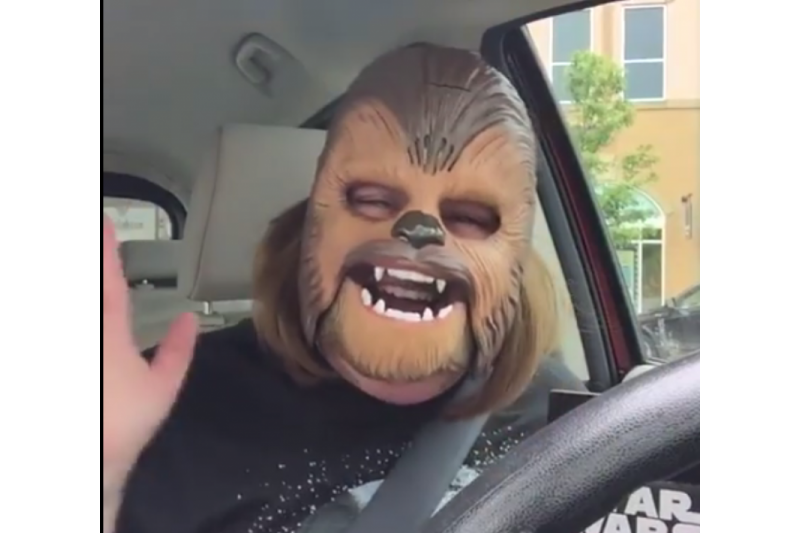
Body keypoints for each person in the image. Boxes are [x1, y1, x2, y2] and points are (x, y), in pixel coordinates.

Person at [103, 43, 580, 533]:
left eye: (471, 216)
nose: (417, 230)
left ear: (517, 257)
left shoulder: (558, 413)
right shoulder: (165, 408)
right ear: (311, 226)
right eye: (371, 199)